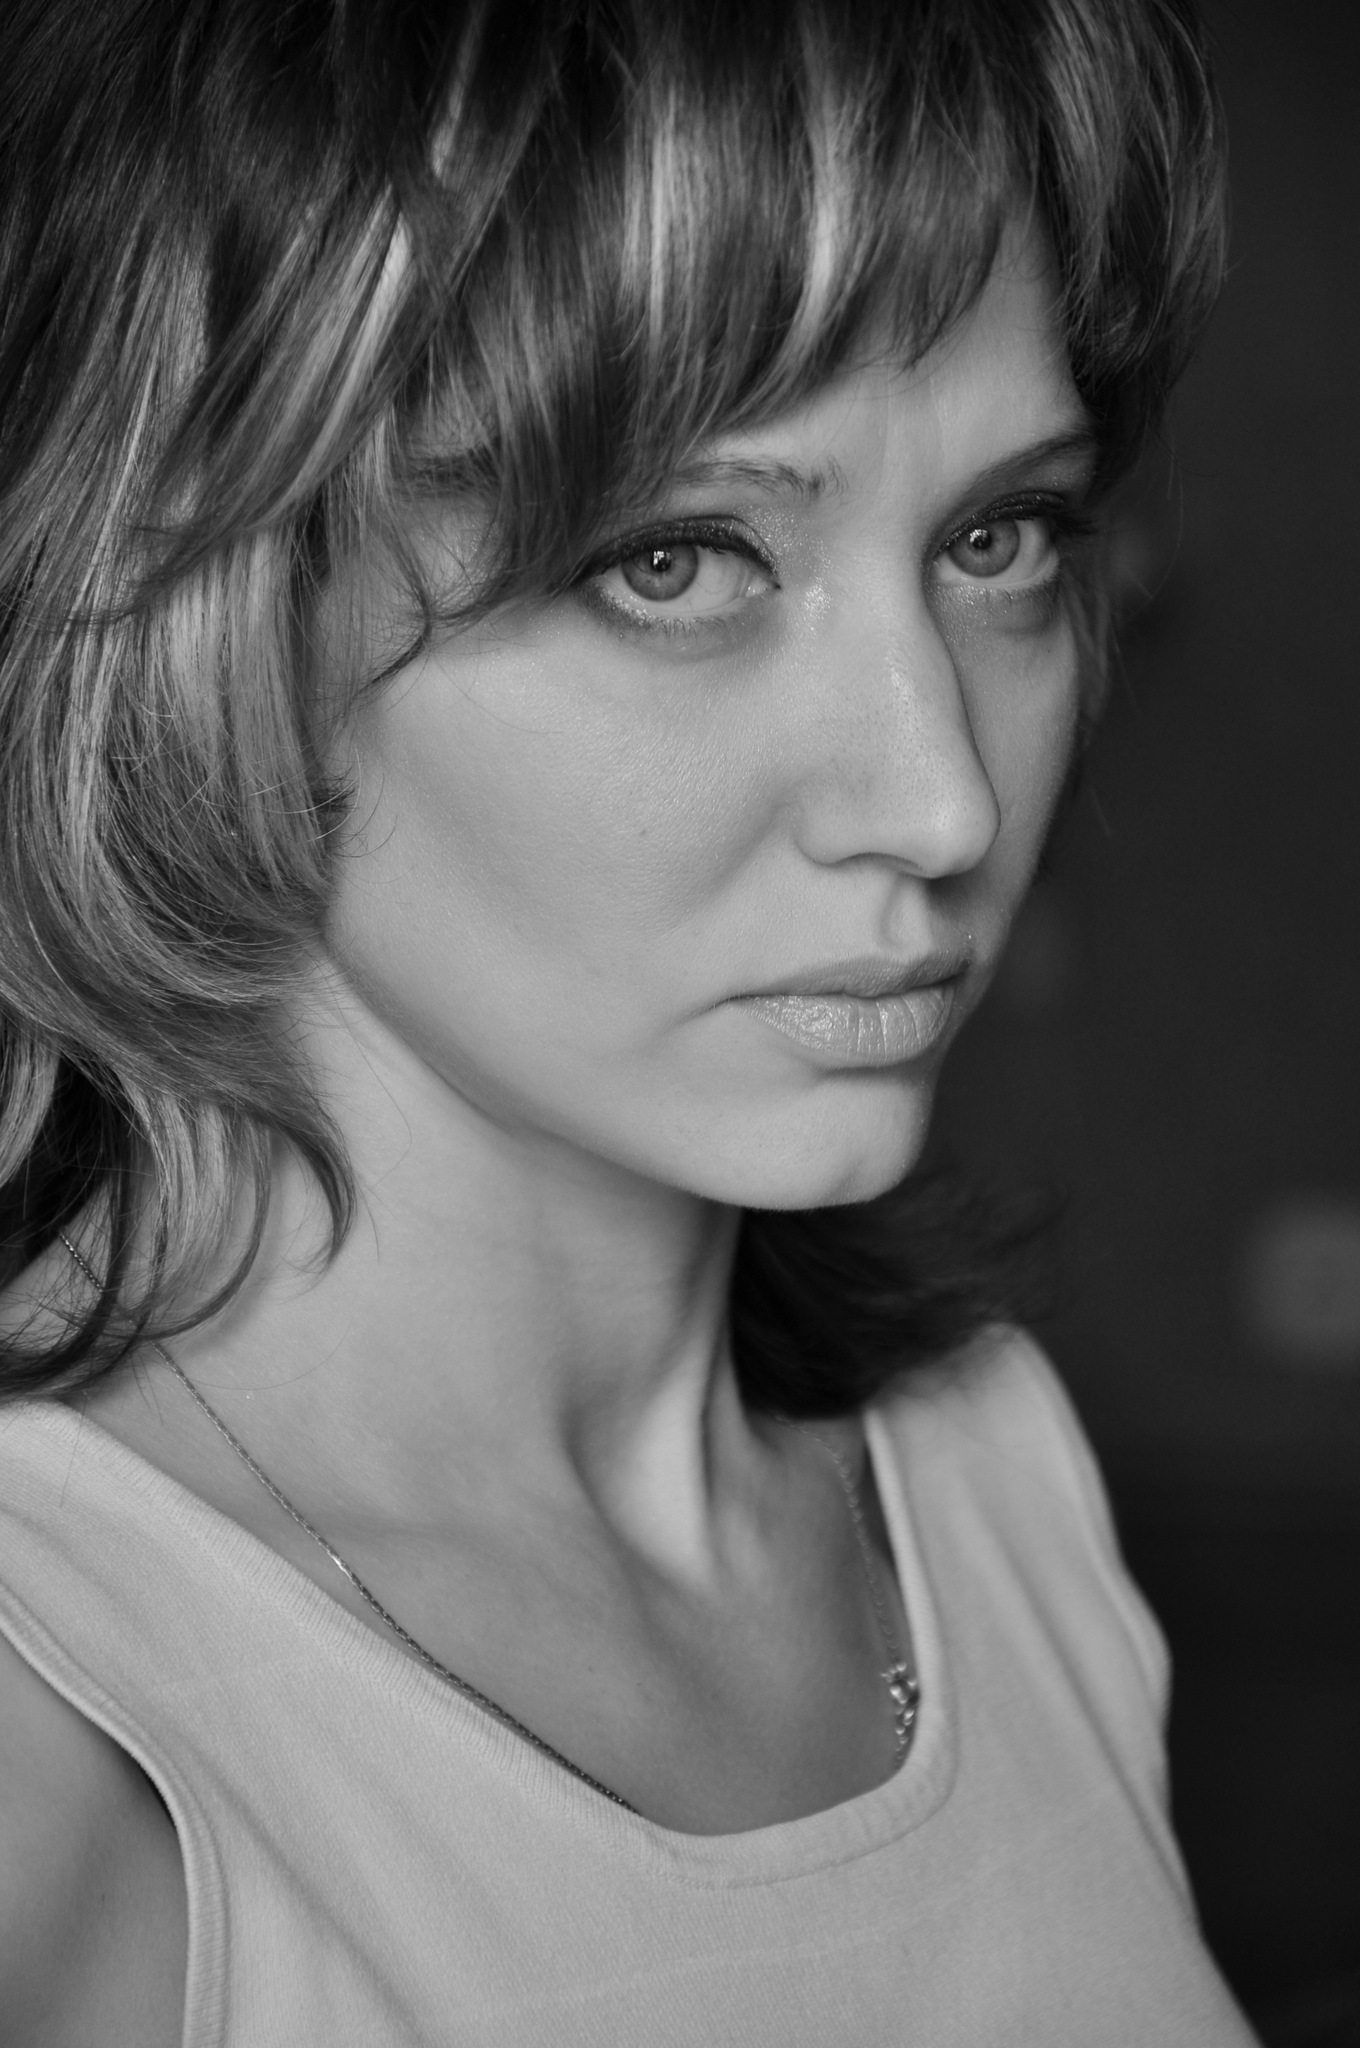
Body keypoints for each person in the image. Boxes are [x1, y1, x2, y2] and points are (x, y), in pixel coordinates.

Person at [0, 0, 1258, 2041]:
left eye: (994, 538)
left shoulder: (985, 1466)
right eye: (679, 561)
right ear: (209, 620)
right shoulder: (56, 1739)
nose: (939, 799)